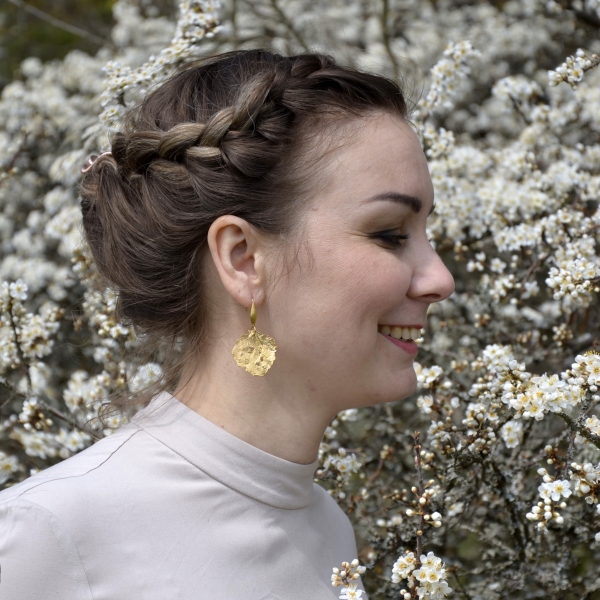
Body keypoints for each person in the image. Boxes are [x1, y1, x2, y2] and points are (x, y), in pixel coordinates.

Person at [0, 50, 454, 599]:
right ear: (243, 259)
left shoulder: (327, 527)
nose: (440, 279)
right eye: (390, 234)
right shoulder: (52, 536)